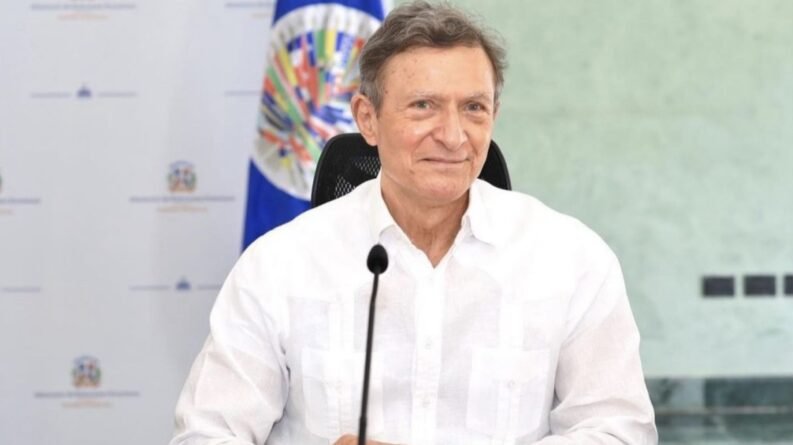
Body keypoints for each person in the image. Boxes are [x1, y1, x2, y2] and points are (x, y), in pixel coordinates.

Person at [171, 2, 658, 444]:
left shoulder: (570, 260)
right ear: (368, 119)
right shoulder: (280, 265)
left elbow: (618, 431)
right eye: (424, 106)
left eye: (473, 108)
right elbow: (206, 434)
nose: (453, 136)